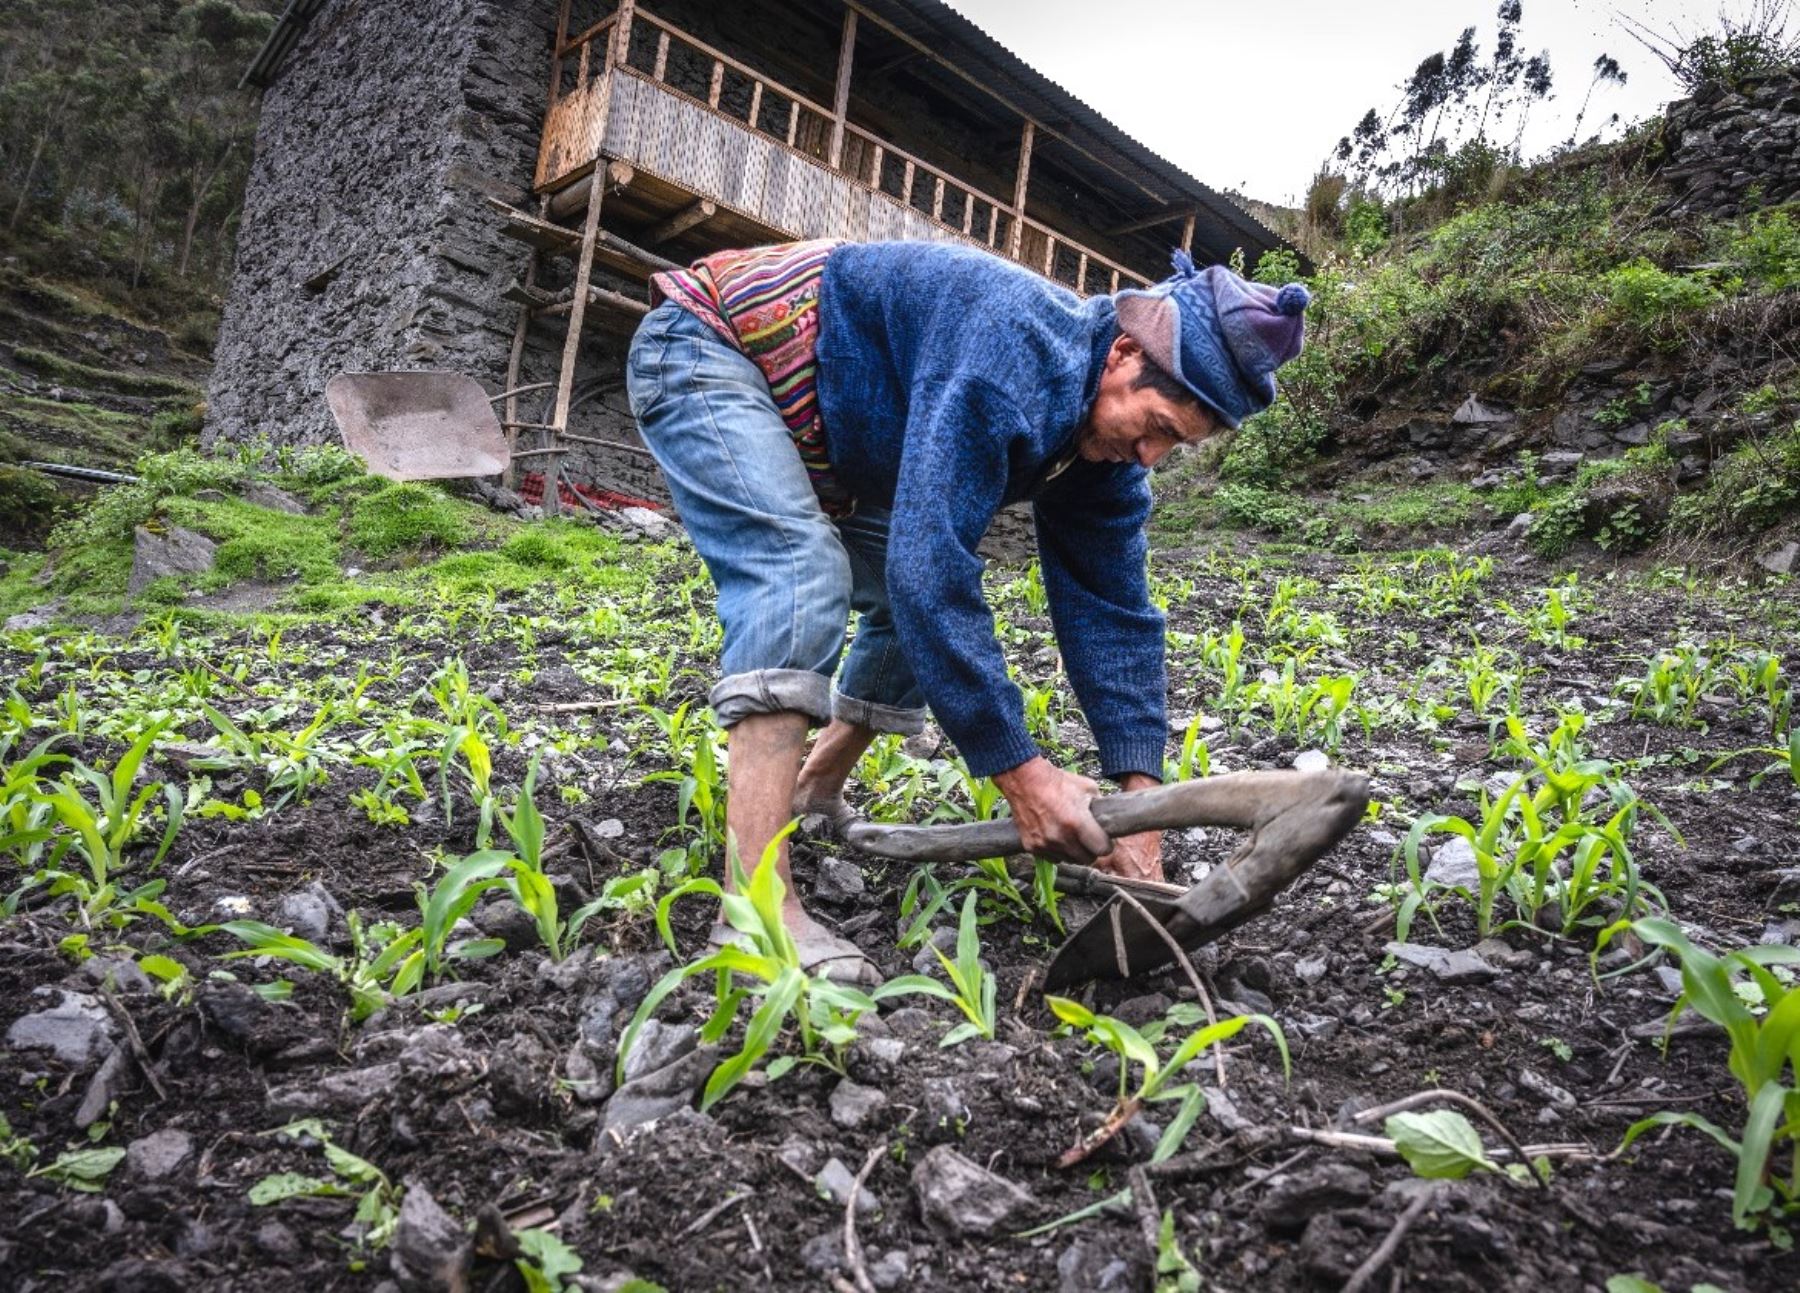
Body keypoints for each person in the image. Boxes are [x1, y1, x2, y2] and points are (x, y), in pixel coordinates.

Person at [626, 238, 1309, 983]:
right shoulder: (1009, 358)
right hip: (709, 349)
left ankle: (813, 786)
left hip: (832, 430)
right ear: (1119, 355)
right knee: (801, 576)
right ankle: (754, 908)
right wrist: (1023, 777)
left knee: (902, 588)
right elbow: (932, 575)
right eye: (1157, 427)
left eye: (1173, 446)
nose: (1149, 457)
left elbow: (1116, 612)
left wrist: (1142, 808)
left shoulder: (1098, 452)